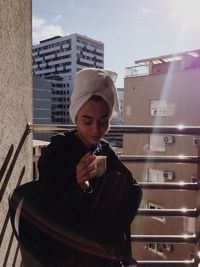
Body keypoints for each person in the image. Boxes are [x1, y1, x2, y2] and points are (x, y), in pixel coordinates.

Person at [9, 68, 142, 267]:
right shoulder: (59, 149)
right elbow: (50, 199)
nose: (96, 130)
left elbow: (134, 188)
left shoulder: (104, 149)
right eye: (87, 121)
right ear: (75, 117)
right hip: (64, 251)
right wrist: (75, 182)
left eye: (103, 121)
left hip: (96, 248)